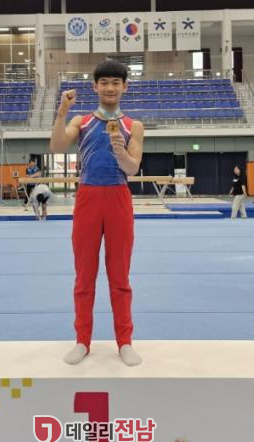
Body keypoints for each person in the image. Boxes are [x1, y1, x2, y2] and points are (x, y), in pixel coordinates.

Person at [50, 60, 144, 366]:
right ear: (95, 87)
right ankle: (82, 341)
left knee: (120, 276)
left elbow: (132, 168)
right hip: (88, 197)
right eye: (104, 82)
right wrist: (62, 113)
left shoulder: (133, 126)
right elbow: (56, 147)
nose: (110, 88)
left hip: (118, 197)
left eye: (116, 82)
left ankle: (125, 342)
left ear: (125, 87)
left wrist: (120, 150)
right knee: (84, 275)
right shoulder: (82, 121)